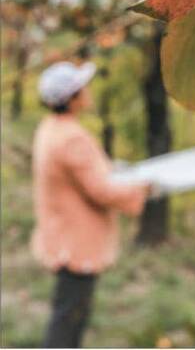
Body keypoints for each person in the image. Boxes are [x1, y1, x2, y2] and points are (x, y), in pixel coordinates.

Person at [32, 60, 150, 348]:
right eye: (82, 88)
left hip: (60, 231)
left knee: (69, 310)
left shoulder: (52, 129)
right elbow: (101, 189)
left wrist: (115, 170)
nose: (88, 91)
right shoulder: (72, 138)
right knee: (70, 317)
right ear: (72, 99)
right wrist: (140, 188)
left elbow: (88, 172)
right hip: (76, 242)